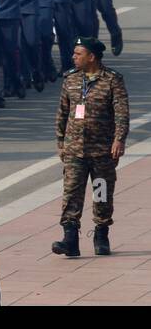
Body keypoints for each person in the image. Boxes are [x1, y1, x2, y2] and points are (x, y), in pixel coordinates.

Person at [52, 37, 129, 257]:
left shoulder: (112, 80)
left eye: (78, 54)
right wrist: (60, 142)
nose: (73, 57)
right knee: (71, 193)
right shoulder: (70, 79)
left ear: (91, 57)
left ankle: (101, 233)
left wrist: (119, 139)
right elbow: (62, 113)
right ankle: (70, 239)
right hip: (74, 149)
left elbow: (122, 113)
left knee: (102, 193)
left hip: (102, 150)